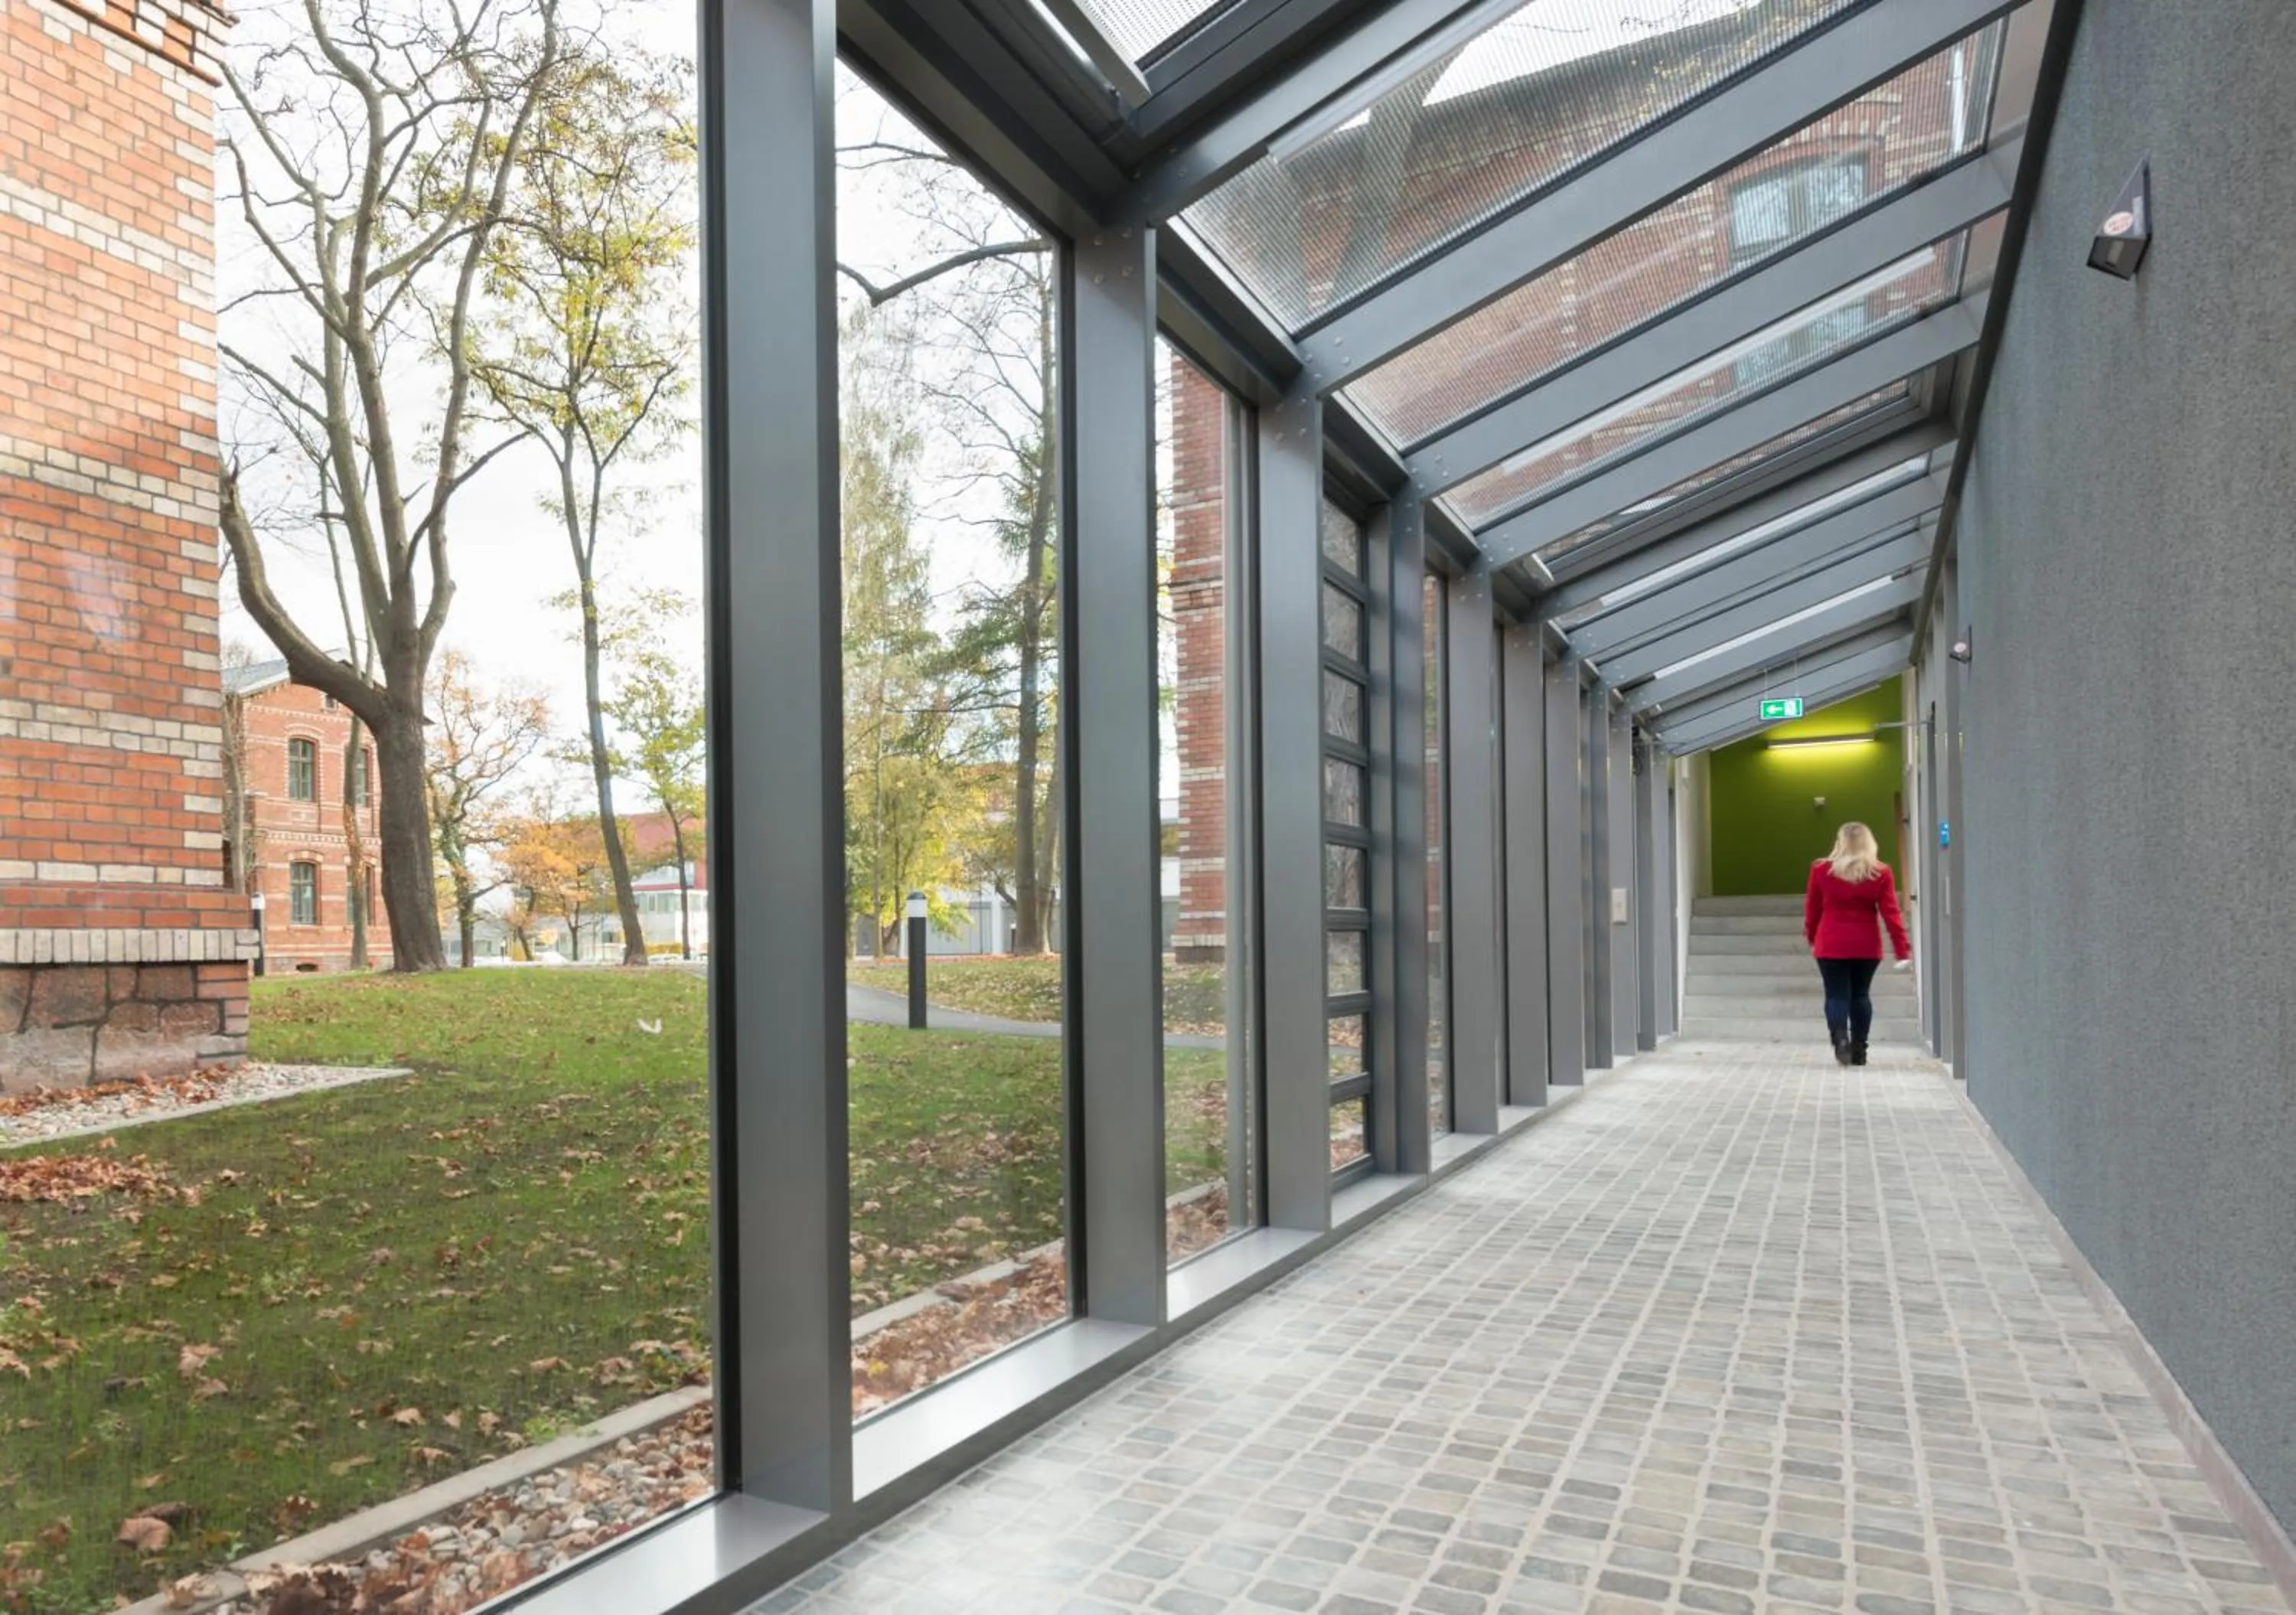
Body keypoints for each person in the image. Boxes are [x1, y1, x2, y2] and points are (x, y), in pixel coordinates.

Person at [1804, 821, 1910, 1067]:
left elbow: (1813, 909)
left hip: (1830, 943)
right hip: (1866, 945)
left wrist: (1811, 936)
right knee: (1860, 995)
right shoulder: (1880, 872)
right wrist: (1901, 948)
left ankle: (1840, 1039)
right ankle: (1860, 1049)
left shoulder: (1821, 870)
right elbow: (1891, 913)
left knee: (1836, 995)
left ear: (1840, 842)